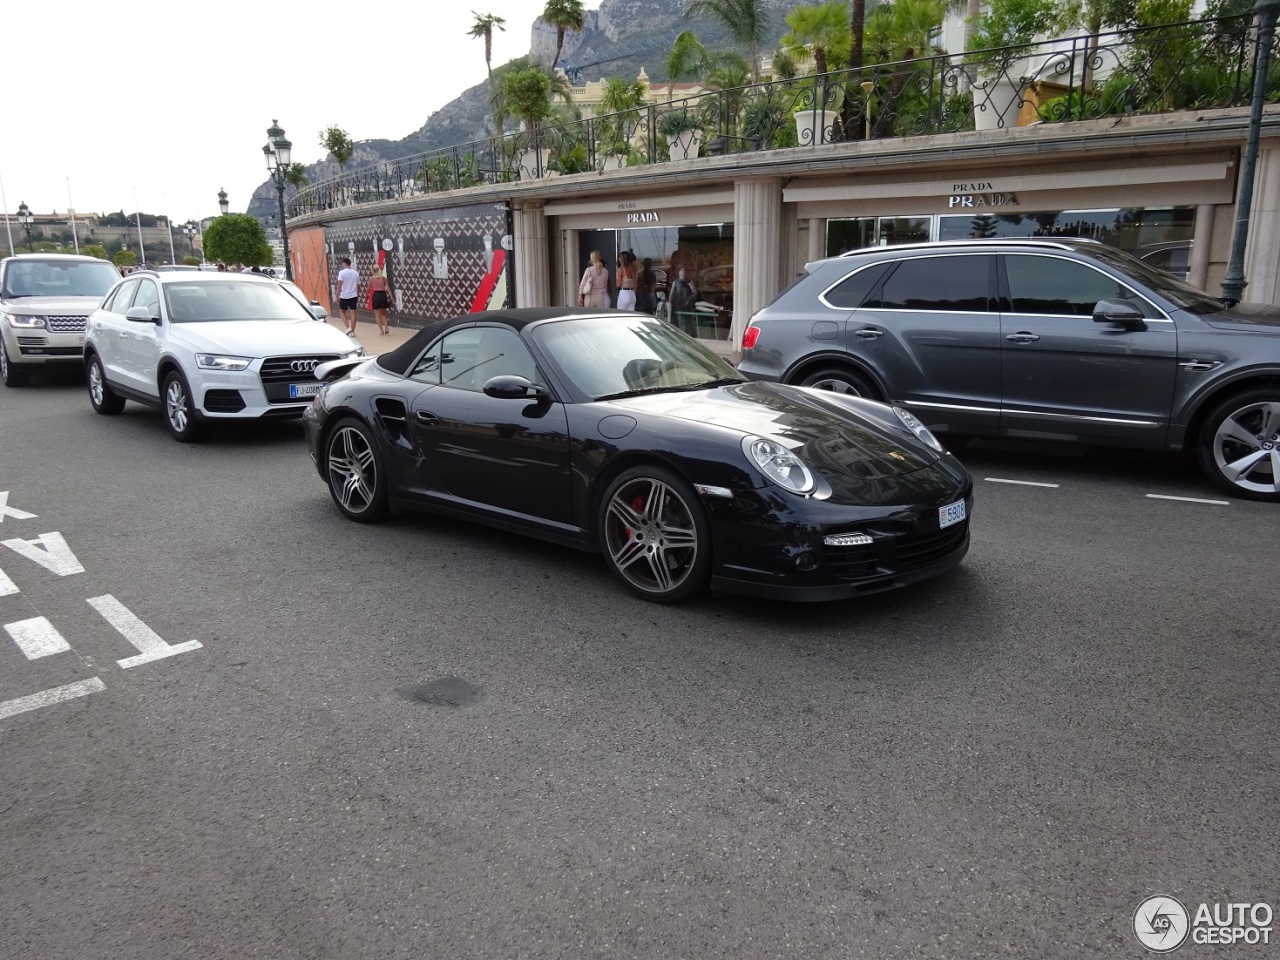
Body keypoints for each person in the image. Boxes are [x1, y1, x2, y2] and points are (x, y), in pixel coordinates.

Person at [670, 267, 698, 334]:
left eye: (684, 271)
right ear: (679, 272)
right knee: (680, 321)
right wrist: (670, 302)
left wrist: (689, 299)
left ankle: (691, 334)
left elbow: (695, 293)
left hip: (687, 305)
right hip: (679, 305)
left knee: (688, 321)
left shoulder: (688, 281)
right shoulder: (676, 282)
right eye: (682, 271)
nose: (683, 272)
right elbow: (671, 294)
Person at [336, 257, 360, 335]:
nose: (342, 265)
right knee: (353, 313)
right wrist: (358, 295)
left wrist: (337, 295)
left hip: (344, 296)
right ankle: (352, 331)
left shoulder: (342, 273)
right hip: (353, 295)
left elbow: (339, 285)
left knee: (342, 312)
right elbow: (358, 285)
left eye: (342, 263)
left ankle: (348, 328)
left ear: (345, 263)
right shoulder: (356, 273)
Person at [368, 266, 394, 335]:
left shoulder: (371, 279)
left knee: (377, 314)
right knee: (383, 313)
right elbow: (388, 289)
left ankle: (381, 331)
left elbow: (368, 289)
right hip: (383, 295)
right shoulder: (384, 279)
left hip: (376, 295)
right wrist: (391, 297)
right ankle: (386, 327)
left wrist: (366, 295)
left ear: (373, 271)